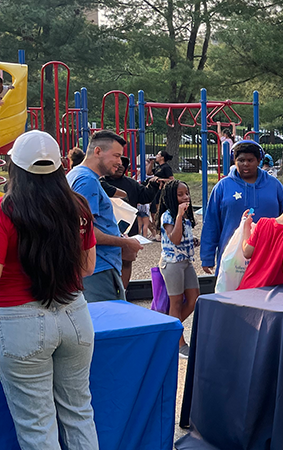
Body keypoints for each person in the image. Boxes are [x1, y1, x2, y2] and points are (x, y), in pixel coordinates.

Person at [0, 130, 99, 449]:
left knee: (37, 425)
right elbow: (87, 268)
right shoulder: (78, 207)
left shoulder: (5, 211)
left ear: (13, 168)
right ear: (60, 167)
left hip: (19, 322)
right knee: (80, 413)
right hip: (75, 314)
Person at [67, 130, 143, 302]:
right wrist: (125, 242)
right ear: (98, 151)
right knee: (107, 321)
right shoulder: (87, 181)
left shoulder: (76, 175)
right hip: (98, 269)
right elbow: (84, 231)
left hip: (93, 267)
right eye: (116, 155)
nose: (119, 162)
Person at [200, 140, 283, 274]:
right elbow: (211, 223)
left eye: (250, 160)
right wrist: (207, 257)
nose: (245, 164)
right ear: (234, 161)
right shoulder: (222, 187)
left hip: (268, 256)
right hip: (231, 256)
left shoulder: (274, 186)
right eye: (241, 160)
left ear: (259, 161)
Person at [154, 180, 200, 358]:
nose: (185, 197)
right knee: (175, 302)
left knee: (194, 298)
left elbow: (183, 238)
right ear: (171, 197)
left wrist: (193, 240)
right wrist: (179, 216)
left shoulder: (187, 217)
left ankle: (168, 329)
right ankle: (179, 343)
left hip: (186, 262)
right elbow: (174, 238)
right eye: (180, 194)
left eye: (186, 193)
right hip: (172, 264)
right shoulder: (168, 216)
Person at [102, 156, 159, 287]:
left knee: (127, 261)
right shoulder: (100, 182)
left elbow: (145, 196)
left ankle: (124, 290)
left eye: (124, 164)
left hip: (128, 229)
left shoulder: (130, 183)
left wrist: (153, 186)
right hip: (105, 228)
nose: (121, 166)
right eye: (118, 163)